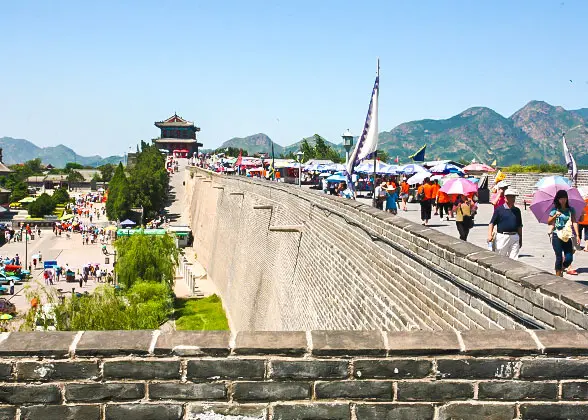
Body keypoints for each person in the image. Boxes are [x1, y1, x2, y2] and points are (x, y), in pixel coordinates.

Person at [548, 189, 581, 277]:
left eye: (564, 198)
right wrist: (555, 215)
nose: (563, 200)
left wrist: (577, 235)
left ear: (567, 199)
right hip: (556, 235)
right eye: (561, 198)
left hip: (567, 235)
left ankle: (562, 268)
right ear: (558, 199)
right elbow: (549, 221)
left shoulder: (571, 210)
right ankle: (558, 276)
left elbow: (574, 221)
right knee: (559, 257)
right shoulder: (554, 210)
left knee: (569, 257)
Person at [488, 188, 523, 260]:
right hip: (502, 237)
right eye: (510, 196)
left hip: (514, 236)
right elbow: (491, 223)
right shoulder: (499, 210)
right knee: (500, 257)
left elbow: (519, 225)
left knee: (514, 259)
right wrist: (489, 235)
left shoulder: (517, 211)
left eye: (514, 197)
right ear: (505, 198)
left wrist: (520, 238)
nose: (513, 199)